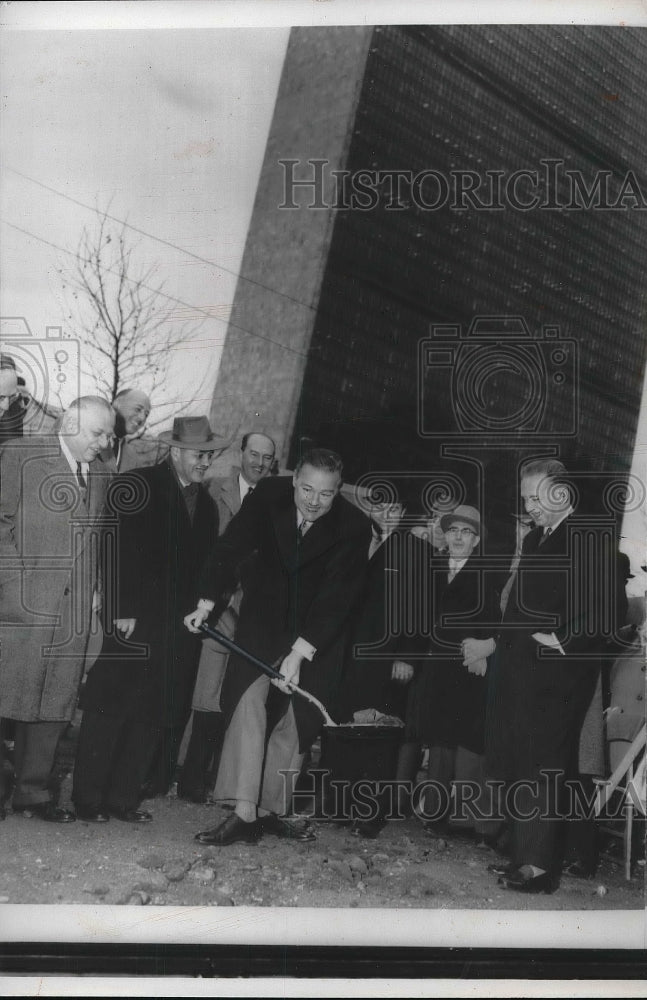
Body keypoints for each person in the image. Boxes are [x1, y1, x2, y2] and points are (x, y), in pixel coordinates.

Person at [184, 447, 372, 845]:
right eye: (306, 490)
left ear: (338, 491)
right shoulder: (268, 495)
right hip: (264, 621)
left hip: (321, 633)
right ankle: (243, 812)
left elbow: (337, 598)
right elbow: (229, 548)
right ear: (293, 481)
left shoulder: (354, 526)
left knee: (297, 722)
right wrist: (205, 601)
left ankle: (270, 811)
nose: (313, 501)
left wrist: (301, 652)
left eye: (325, 494)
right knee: (246, 704)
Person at [71, 416, 226, 822]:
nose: (204, 462)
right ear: (175, 451)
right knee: (111, 707)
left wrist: (206, 607)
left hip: (177, 630)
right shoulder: (137, 483)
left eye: (209, 455)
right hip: (133, 620)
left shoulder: (207, 508)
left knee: (153, 713)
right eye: (198, 454)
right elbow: (114, 545)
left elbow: (210, 567)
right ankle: (88, 800)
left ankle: (123, 801)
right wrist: (120, 608)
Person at [485, 458, 619, 893]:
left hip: (556, 675)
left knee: (543, 766)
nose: (531, 506)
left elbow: (610, 611)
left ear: (563, 493)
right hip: (524, 673)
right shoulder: (543, 535)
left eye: (538, 497)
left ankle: (539, 870)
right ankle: (524, 857)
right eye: (526, 498)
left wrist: (563, 640)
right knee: (526, 762)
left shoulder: (588, 534)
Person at [0, 396, 114, 822]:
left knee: (53, 703)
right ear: (68, 422)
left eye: (108, 435)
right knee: (6, 692)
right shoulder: (21, 454)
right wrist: (15, 585)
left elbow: (97, 539)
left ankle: (32, 792)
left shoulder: (101, 473)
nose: (103, 443)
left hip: (74, 609)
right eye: (96, 432)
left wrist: (96, 591)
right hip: (21, 602)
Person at [178, 431, 277, 802]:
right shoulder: (213, 490)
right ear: (242, 453)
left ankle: (211, 776)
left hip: (248, 610)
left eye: (267, 458)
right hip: (209, 605)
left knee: (229, 695)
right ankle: (186, 774)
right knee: (203, 691)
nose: (260, 463)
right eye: (254, 454)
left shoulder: (275, 501)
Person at [330, 486, 429, 837]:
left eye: (394, 507)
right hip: (350, 656)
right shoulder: (360, 543)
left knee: (380, 734)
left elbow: (421, 609)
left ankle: (371, 815)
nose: (387, 512)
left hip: (388, 659)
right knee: (347, 727)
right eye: (380, 505)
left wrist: (407, 655)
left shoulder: (416, 550)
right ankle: (341, 807)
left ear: (403, 512)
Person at [407, 504, 500, 845]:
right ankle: (434, 813)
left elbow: (492, 621)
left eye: (467, 532)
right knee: (437, 737)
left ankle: (465, 821)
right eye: (454, 530)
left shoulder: (487, 574)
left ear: (476, 541)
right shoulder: (431, 566)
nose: (459, 537)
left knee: (464, 741)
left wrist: (479, 652)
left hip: (467, 664)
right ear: (444, 535)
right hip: (433, 664)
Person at [102, 388, 166, 472]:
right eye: (137, 409)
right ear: (117, 404)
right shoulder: (90, 434)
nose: (142, 418)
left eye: (146, 415)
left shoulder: (133, 458)